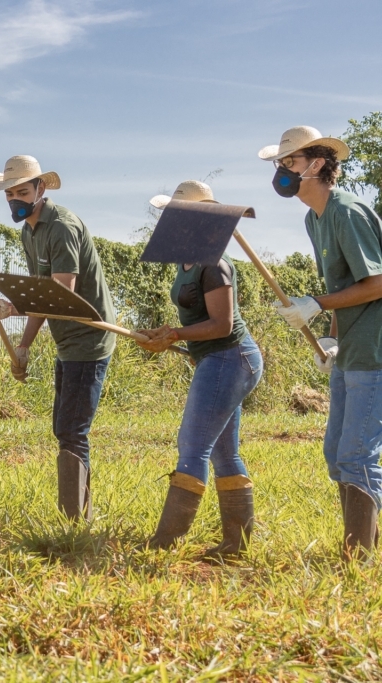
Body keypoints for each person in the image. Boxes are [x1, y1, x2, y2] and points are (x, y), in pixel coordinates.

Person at [259, 126, 382, 561]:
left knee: (357, 454)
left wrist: (315, 303)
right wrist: (330, 334)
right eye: (279, 165)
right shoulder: (314, 218)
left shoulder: (347, 212)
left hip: (375, 350)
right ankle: (365, 544)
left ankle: (359, 559)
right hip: (350, 347)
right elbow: (343, 282)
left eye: (288, 163)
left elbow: (378, 282)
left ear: (316, 164)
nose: (281, 172)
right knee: (336, 455)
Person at [0, 155, 116, 521]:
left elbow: (59, 294)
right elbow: (41, 297)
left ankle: (75, 521)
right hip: (65, 338)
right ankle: (77, 513)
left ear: (40, 188)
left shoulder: (62, 227)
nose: (15, 200)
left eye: (22, 191)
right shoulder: (29, 232)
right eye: (9, 194)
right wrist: (23, 345)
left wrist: (8, 308)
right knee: (63, 426)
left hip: (91, 335)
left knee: (72, 429)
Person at [136, 181, 264, 556]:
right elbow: (198, 320)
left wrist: (174, 333)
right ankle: (235, 546)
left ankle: (164, 544)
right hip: (216, 359)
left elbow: (222, 325)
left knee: (192, 446)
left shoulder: (215, 264)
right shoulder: (187, 260)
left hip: (232, 356)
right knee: (225, 452)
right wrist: (165, 334)